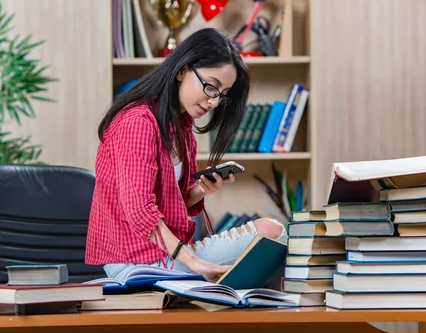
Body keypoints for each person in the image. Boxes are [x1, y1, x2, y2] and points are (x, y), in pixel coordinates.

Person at [85, 28, 287, 282]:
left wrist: (201, 189)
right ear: (182, 69)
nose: (214, 102)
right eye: (212, 87)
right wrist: (193, 261)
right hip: (135, 263)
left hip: (164, 256)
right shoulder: (137, 121)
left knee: (272, 237)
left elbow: (168, 202)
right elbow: (140, 212)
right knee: (271, 231)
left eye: (222, 95)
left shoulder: (181, 127)